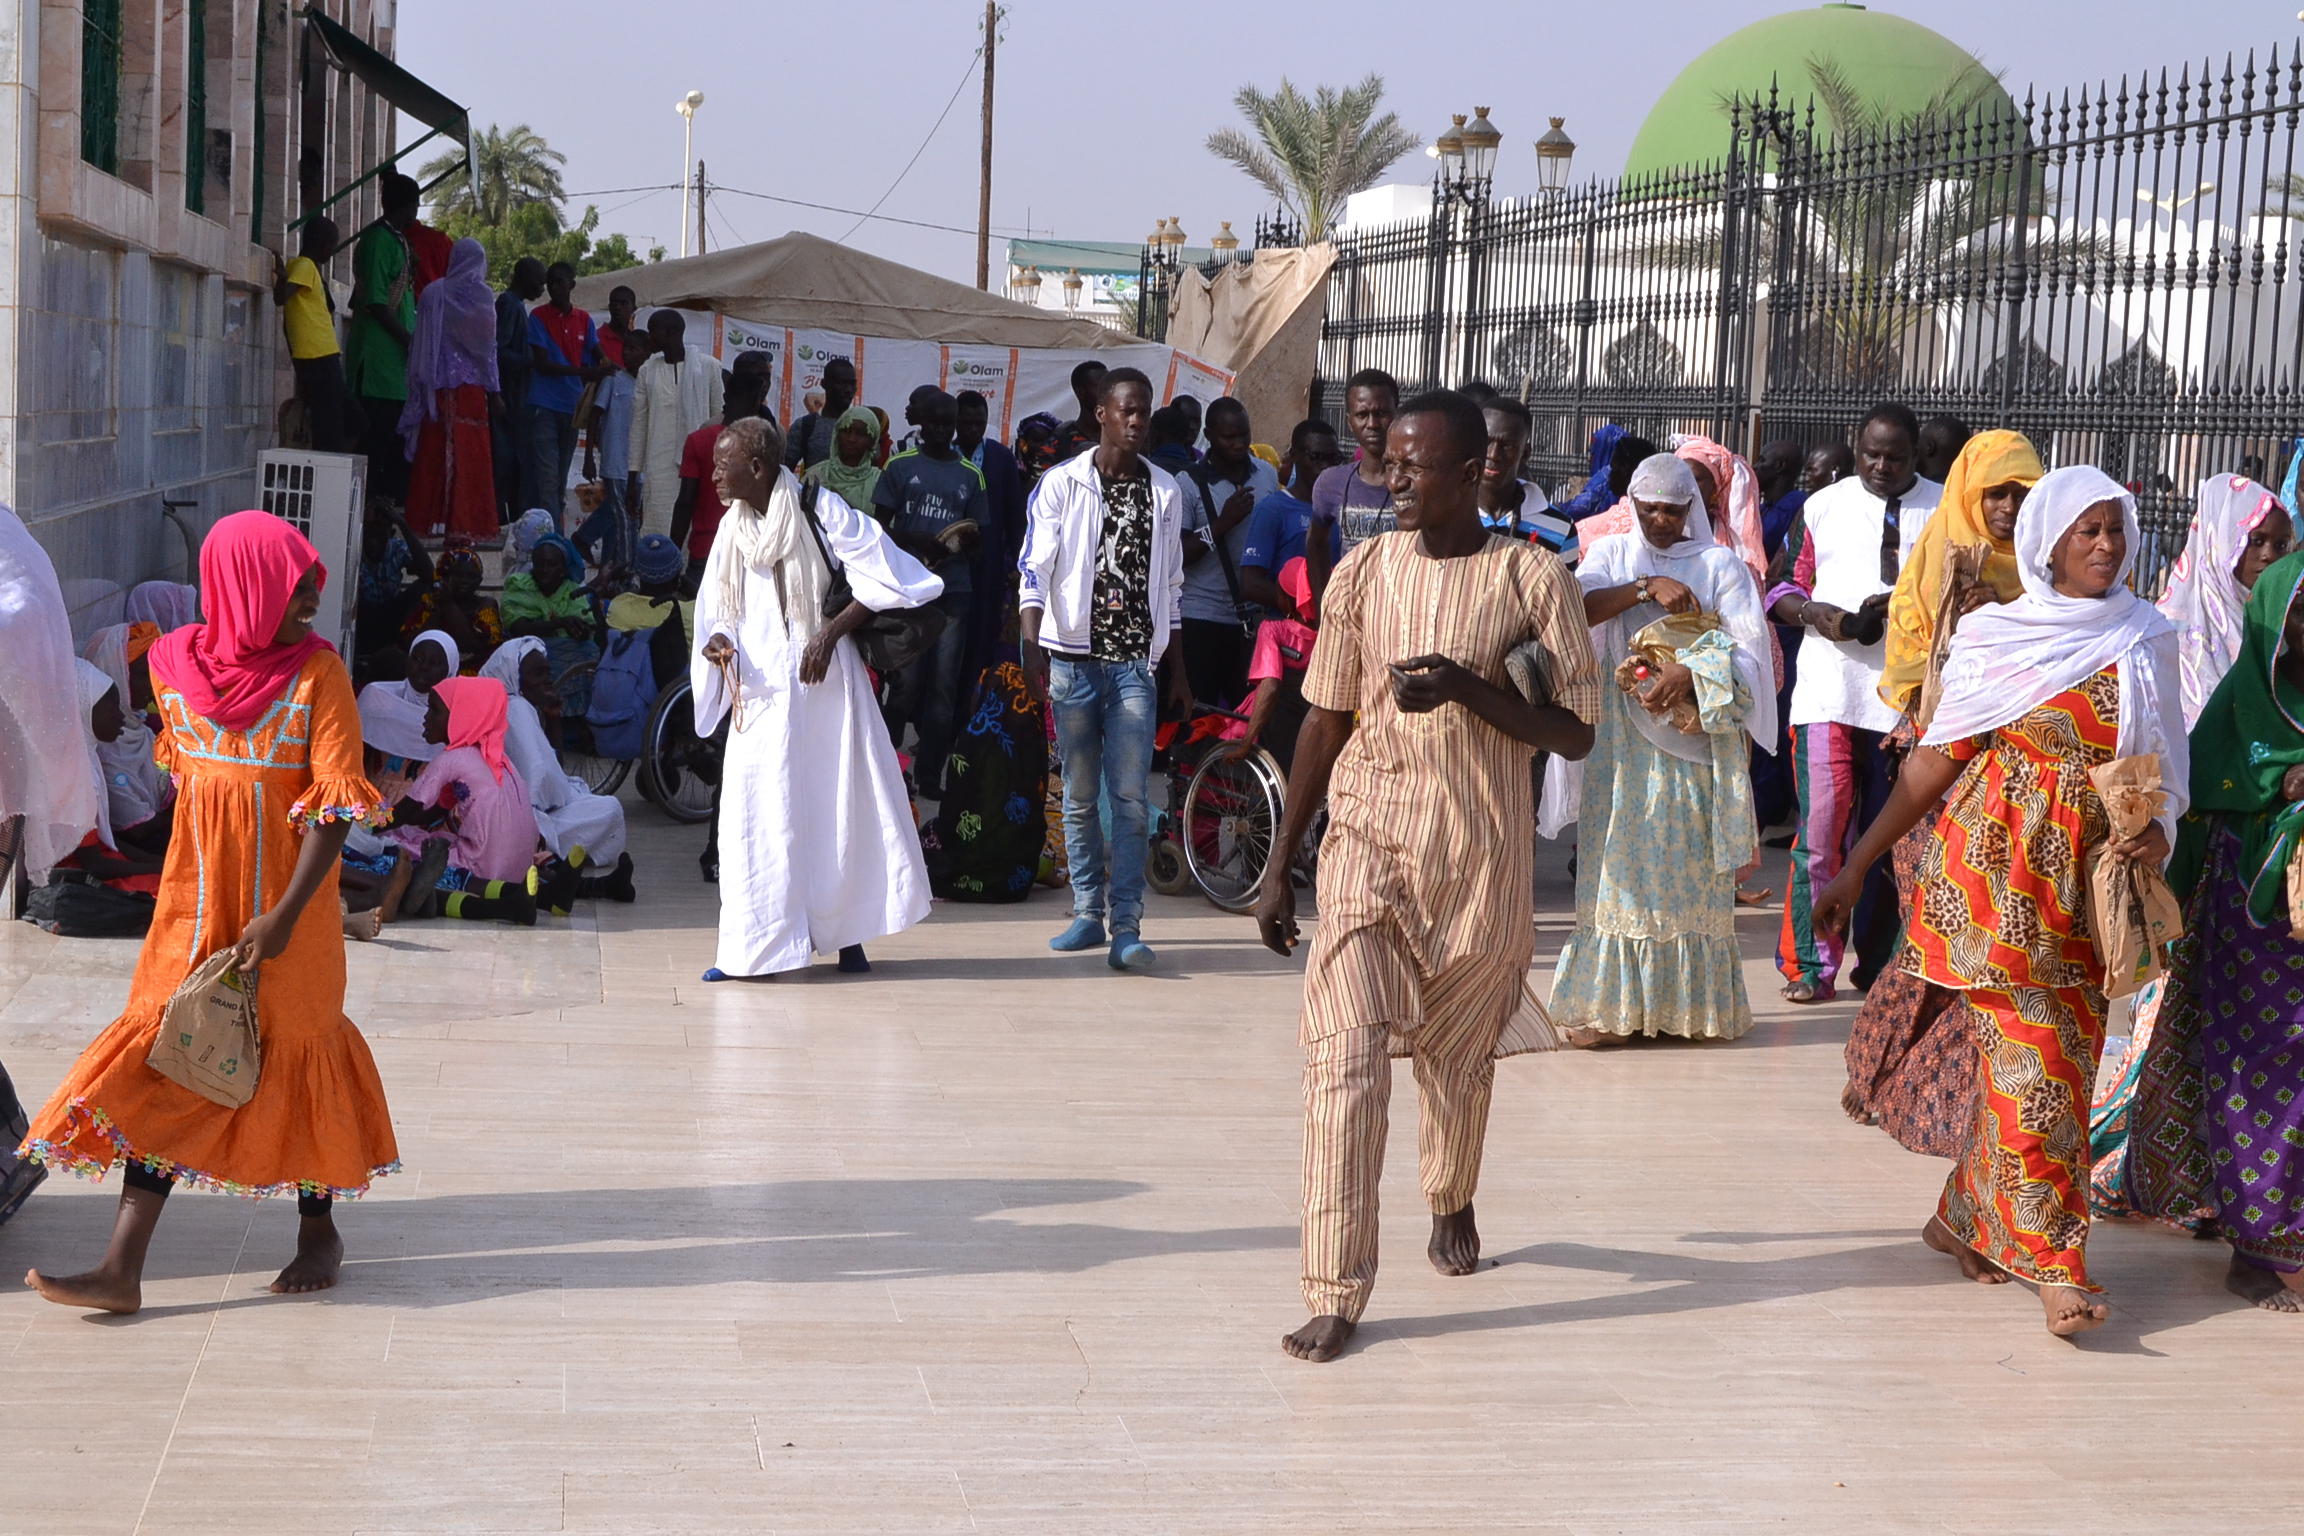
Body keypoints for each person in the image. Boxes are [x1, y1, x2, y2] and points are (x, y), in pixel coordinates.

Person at [1250, 389, 1601, 1363]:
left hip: (1481, 860)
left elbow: (1573, 728)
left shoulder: (1532, 581)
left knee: (1454, 1059)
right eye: (1388, 461)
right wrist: (1282, 863)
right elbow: (1324, 715)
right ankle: (1335, 1284)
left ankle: (1450, 1193)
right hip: (1368, 841)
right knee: (1344, 1054)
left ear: (1472, 472)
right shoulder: (1361, 572)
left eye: (1414, 466)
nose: (1393, 478)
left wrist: (1468, 687)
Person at [1812, 464, 2185, 1338]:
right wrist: (1857, 863)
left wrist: (2157, 830)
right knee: (2036, 1073)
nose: (2105, 546)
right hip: (1996, 882)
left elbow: (2163, 758)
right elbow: (1932, 764)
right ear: (2046, 544)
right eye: (2086, 531)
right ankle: (2059, 1263)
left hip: (2092, 888)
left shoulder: (2145, 634)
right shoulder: (1996, 638)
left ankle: (1960, 1216)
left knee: (2062, 1067)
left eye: (2116, 529)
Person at [18, 511, 401, 1312]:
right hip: (193, 911)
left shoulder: (317, 677)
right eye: (295, 585)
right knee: (170, 1056)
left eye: (310, 586)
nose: (308, 601)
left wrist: (289, 917)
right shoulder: (168, 666)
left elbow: (332, 814)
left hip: (286, 918)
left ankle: (317, 1230)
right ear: (245, 586)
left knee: (296, 1056)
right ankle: (122, 1268)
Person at [2087, 472, 2293, 1215]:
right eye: (2254, 542)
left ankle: (2220, 1181)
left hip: (2254, 865)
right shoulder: (2173, 628)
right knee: (2171, 1023)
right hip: (2187, 857)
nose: (2266, 557)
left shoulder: (2283, 624)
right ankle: (2139, 1165)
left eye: (2279, 543)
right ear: (2219, 543)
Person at [1841, 429, 2042, 1155]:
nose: (2011, 509)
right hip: (1936, 762)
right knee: (1933, 934)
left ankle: (1940, 1095)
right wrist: (1972, 627)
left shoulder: (2051, 574)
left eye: (2025, 494)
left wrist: (2014, 617)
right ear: (1969, 493)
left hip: (2018, 784)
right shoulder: (1938, 559)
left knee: (1982, 951)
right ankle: (1882, 1066)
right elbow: (1914, 668)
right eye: (1998, 493)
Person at [2119, 549, 2304, 1308]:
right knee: (2258, 1076)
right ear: (2276, 621)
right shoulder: (2239, 711)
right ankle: (2256, 1246)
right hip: (2257, 929)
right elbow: (2196, 803)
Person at [693, 416, 942, 978]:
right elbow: (721, 611)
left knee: (836, 809)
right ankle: (750, 949)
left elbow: (893, 576)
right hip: (759, 695)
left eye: (722, 463)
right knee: (756, 814)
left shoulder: (818, 509)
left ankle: (847, 937)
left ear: (756, 467)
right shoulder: (732, 529)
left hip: (824, 688)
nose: (713, 475)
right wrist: (719, 642)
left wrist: (829, 634)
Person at [1550, 454, 1776, 1045]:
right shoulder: (1612, 555)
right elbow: (1578, 607)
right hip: (1621, 743)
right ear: (1631, 504)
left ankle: (1685, 1009)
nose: (1659, 520)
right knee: (1617, 861)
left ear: (1691, 510)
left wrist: (1691, 671)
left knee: (1684, 864)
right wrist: (1645, 587)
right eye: (1647, 508)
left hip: (1691, 739)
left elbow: (1750, 655)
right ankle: (1612, 1011)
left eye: (1672, 511)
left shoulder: (1719, 565)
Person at [1768, 403, 1944, 1003]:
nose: (1881, 466)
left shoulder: (1946, 508)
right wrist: (1824, 616)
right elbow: (1782, 585)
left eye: (1895, 458)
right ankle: (1808, 965)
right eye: (1871, 454)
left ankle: (1883, 969)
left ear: (1916, 454)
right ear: (1856, 446)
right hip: (1829, 693)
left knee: (1896, 838)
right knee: (1822, 833)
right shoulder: (1824, 505)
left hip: (1908, 703)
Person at [1019, 367, 1189, 971]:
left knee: (1131, 797)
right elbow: (1035, 566)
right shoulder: (1062, 484)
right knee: (1080, 793)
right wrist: (1032, 641)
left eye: (1144, 411)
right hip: (1071, 663)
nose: (1137, 420)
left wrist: (1176, 667)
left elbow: (1172, 583)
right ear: (1102, 415)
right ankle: (1088, 914)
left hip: (1133, 667)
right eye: (1126, 410)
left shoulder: (1166, 491)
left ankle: (1128, 926)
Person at [873, 388, 986, 800]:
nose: (940, 430)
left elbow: (980, 538)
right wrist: (917, 540)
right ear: (922, 424)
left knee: (943, 687)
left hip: (954, 592)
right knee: (905, 684)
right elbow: (878, 530)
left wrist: (963, 542)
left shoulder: (971, 475)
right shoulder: (900, 467)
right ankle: (884, 763)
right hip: (908, 592)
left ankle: (928, 775)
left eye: (947, 423)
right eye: (934, 423)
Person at [386, 676, 550, 924]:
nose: (426, 716)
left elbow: (409, 809)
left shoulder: (452, 758)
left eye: (435, 710)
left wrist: (366, 823)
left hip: (485, 869)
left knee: (397, 850)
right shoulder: (499, 759)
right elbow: (434, 813)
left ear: (460, 715)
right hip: (519, 869)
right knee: (429, 837)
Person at [480, 636, 634, 895]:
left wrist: (553, 720)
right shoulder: (514, 709)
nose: (546, 680)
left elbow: (553, 769)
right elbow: (539, 777)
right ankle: (555, 862)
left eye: (547, 673)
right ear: (513, 677)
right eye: (537, 674)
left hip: (542, 809)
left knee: (606, 807)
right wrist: (556, 802)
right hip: (523, 816)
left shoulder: (523, 707)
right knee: (607, 811)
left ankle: (557, 858)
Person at [1175, 396, 1281, 709]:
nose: (1239, 444)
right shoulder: (1188, 483)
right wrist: (1222, 524)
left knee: (1243, 716)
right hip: (1200, 618)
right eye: (1229, 437)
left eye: (1244, 435)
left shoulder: (1266, 474)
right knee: (1199, 715)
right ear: (1209, 435)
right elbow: (1176, 556)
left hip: (1252, 619)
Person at [397, 237, 501, 542]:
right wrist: (495, 391)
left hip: (437, 387)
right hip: (470, 390)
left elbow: (421, 342)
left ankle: (428, 521)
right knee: (469, 455)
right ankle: (466, 524)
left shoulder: (433, 293)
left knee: (433, 452)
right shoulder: (481, 297)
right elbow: (487, 350)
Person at [344, 174, 422, 503]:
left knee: (395, 452)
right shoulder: (377, 240)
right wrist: (409, 340)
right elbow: (376, 302)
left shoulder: (397, 240)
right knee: (373, 450)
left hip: (395, 372)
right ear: (406, 206)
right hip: (376, 366)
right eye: (415, 204)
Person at [525, 262, 609, 531]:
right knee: (548, 480)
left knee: (559, 481)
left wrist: (610, 368)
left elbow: (598, 356)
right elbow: (541, 364)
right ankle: (555, 542)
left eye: (561, 282)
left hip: (571, 410)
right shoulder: (537, 316)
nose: (555, 288)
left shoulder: (584, 319)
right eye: (551, 283)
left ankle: (552, 539)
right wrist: (588, 371)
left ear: (572, 284)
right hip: (543, 407)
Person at [1305, 368, 1399, 607]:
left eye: (1381, 414)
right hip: (1349, 614)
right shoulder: (1330, 483)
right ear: (1349, 421)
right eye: (1362, 414)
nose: (1372, 424)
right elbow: (1316, 542)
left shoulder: (1415, 482)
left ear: (1397, 415)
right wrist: (1322, 605)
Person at [629, 308, 724, 537]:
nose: (648, 337)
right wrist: (632, 478)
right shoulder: (647, 371)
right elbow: (639, 426)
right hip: (658, 471)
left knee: (694, 530)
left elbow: (718, 420)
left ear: (670, 333)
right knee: (658, 530)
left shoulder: (709, 367)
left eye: (653, 331)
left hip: (699, 468)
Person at [82, 623, 173, 860]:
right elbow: (140, 832)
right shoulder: (103, 750)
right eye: (144, 675)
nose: (153, 685)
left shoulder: (141, 731)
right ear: (117, 674)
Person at [1239, 419, 1347, 618]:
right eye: (1317, 457)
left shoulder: (1344, 509)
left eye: (1334, 459)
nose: (1327, 466)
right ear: (1295, 455)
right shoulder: (1273, 509)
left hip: (1334, 629)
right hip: (1290, 636)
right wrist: (1303, 606)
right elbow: (1250, 583)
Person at [273, 216, 362, 454]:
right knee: (331, 427)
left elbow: (288, 316)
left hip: (319, 358)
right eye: (333, 245)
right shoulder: (304, 266)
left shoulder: (301, 267)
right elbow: (282, 298)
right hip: (319, 357)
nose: (333, 251)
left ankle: (336, 463)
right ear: (324, 244)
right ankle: (328, 468)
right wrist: (282, 281)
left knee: (355, 419)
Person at [674, 375, 769, 591]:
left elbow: (685, 503)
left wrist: (673, 553)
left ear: (725, 397)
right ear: (756, 401)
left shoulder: (698, 440)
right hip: (747, 556)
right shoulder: (763, 448)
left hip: (704, 552)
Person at [573, 325, 647, 573]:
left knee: (620, 516)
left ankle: (606, 564)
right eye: (626, 348)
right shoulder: (614, 380)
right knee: (626, 519)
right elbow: (595, 415)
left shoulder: (650, 383)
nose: (627, 353)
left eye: (634, 349)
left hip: (640, 464)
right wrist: (590, 458)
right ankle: (628, 569)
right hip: (615, 461)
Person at [1475, 398, 1572, 556]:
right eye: (1487, 441)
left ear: (1525, 453)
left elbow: (1563, 581)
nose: (1493, 455)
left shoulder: (1561, 529)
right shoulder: (1446, 515)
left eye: (1508, 446)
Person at [500, 533, 599, 680]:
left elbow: (585, 632)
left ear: (563, 569)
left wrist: (581, 631)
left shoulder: (572, 590)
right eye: (539, 564)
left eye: (552, 564)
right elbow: (520, 629)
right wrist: (561, 622)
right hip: (526, 656)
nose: (545, 569)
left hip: (567, 655)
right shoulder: (519, 586)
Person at [494, 257, 547, 523]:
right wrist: (531, 362)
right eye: (540, 282)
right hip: (508, 401)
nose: (542, 289)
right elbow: (498, 351)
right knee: (506, 468)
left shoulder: (518, 307)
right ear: (526, 278)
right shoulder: (508, 305)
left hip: (518, 400)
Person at [399, 538, 501, 669]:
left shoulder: (486, 605)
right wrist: (439, 610)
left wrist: (448, 606)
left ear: (479, 581)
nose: (465, 580)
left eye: (472, 576)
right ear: (445, 577)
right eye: (458, 575)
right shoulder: (429, 602)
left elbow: (472, 645)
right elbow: (409, 643)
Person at [803, 402, 885, 513]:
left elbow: (884, 528)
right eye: (846, 431)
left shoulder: (879, 482)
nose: (851, 439)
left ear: (872, 441)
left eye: (860, 434)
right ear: (836, 434)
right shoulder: (816, 475)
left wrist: (846, 508)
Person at [783, 358, 858, 470]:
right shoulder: (805, 426)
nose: (848, 389)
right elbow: (785, 473)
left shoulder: (863, 426)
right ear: (824, 384)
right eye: (841, 383)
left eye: (852, 384)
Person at [1046, 360, 1108, 463]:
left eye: (1110, 386)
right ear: (1081, 393)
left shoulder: (1120, 436)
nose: (1108, 392)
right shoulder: (1060, 441)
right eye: (1100, 387)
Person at [1916, 414, 1973, 485]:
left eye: (1918, 442)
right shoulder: (1964, 489)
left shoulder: (1918, 490)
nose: (1915, 448)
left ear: (1929, 447)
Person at [597, 285, 641, 368]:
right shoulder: (597, 339)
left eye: (623, 303)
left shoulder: (636, 340)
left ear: (633, 308)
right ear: (609, 307)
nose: (617, 307)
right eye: (614, 303)